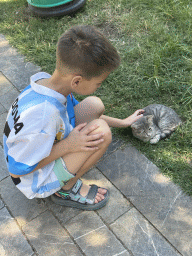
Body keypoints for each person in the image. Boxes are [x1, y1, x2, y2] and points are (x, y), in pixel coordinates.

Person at [3, 25, 144, 211]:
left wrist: (123, 122)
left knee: (94, 104)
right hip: (35, 179)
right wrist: (70, 145)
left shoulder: (46, 83)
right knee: (102, 133)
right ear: (76, 81)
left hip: (46, 140)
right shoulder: (44, 114)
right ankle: (65, 189)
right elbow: (17, 169)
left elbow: (79, 111)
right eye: (98, 82)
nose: (100, 86)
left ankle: (67, 171)